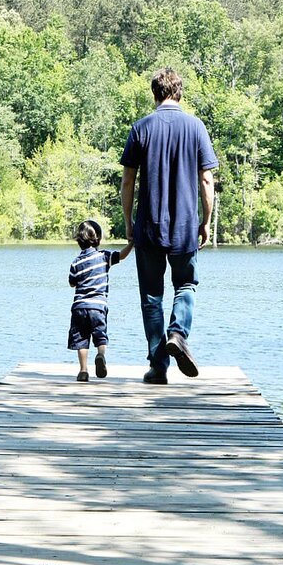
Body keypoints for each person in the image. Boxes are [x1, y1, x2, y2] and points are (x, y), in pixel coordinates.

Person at [120, 67, 218, 384]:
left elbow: (127, 182)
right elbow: (206, 179)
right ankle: (178, 334)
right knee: (185, 286)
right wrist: (206, 221)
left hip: (148, 227)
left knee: (151, 297)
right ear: (179, 93)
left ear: (155, 94)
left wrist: (128, 222)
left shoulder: (140, 128)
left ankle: (159, 366)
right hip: (186, 227)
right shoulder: (196, 127)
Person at [68, 220, 133, 382]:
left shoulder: (76, 262)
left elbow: (71, 282)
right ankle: (100, 355)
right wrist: (132, 244)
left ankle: (83, 370)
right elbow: (121, 255)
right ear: (98, 239)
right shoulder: (104, 256)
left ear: (79, 240)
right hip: (98, 306)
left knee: (81, 339)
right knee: (100, 335)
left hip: (79, 307)